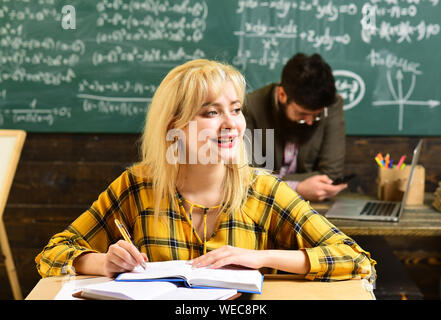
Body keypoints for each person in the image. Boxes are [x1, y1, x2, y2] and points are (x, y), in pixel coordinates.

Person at [35, 59, 375, 282]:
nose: (232, 124)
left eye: (236, 109)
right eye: (211, 113)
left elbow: (355, 259)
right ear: (175, 126)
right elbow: (53, 253)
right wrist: (101, 263)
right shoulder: (136, 186)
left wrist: (259, 258)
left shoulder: (264, 191)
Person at [243, 53, 347, 202]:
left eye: (317, 115)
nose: (311, 121)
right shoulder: (250, 107)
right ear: (282, 95)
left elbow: (331, 174)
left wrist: (274, 180)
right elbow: (249, 177)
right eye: (303, 114)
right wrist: (297, 188)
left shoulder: (331, 104)